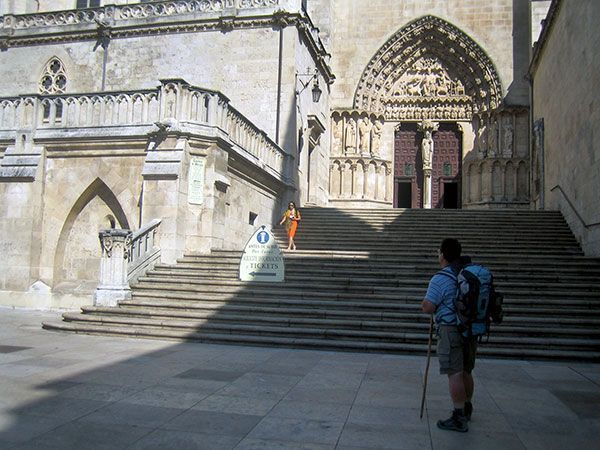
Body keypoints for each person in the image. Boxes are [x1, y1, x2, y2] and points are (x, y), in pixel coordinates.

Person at [421, 238, 476, 433]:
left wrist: (426, 304)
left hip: (450, 329)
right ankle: (467, 407)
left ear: (443, 255)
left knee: (454, 373)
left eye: (439, 252)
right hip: (469, 330)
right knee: (466, 370)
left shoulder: (441, 277)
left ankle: (459, 416)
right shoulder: (466, 272)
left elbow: (428, 306)